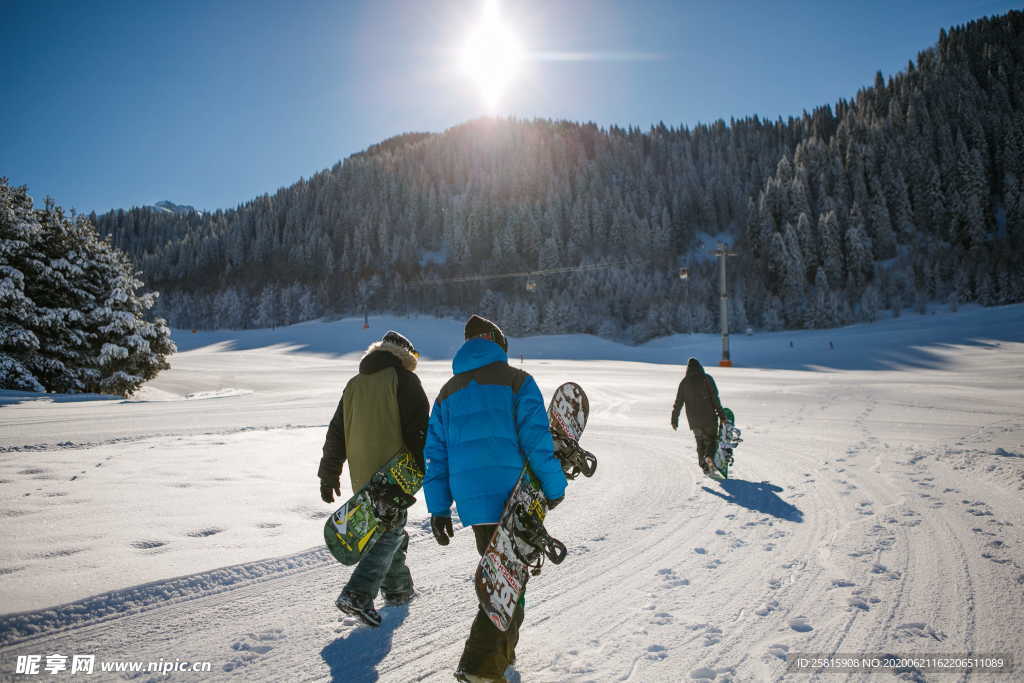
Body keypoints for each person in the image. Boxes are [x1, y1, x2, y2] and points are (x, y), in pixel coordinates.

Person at [423, 314, 566, 683]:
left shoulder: (448, 392)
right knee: (506, 582)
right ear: (498, 345)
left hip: (475, 504)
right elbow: (537, 442)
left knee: (502, 575)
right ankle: (480, 667)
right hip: (514, 498)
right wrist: (553, 489)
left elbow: (435, 456)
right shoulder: (518, 381)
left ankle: (500, 657)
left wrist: (439, 507)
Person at [317, 330, 429, 627]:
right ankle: (358, 593)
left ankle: (398, 591)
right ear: (405, 355)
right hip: (393, 475)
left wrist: (329, 472)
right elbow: (419, 432)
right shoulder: (404, 380)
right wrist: (419, 472)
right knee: (391, 531)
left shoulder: (354, 385)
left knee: (388, 530)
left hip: (362, 475)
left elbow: (336, 432)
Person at [670, 357, 726, 474]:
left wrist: (674, 419)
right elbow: (715, 398)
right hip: (709, 417)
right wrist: (722, 415)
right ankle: (709, 457)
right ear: (700, 367)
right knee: (712, 440)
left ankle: (704, 466)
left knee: (700, 442)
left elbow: (678, 403)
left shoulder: (684, 382)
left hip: (694, 421)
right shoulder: (707, 379)